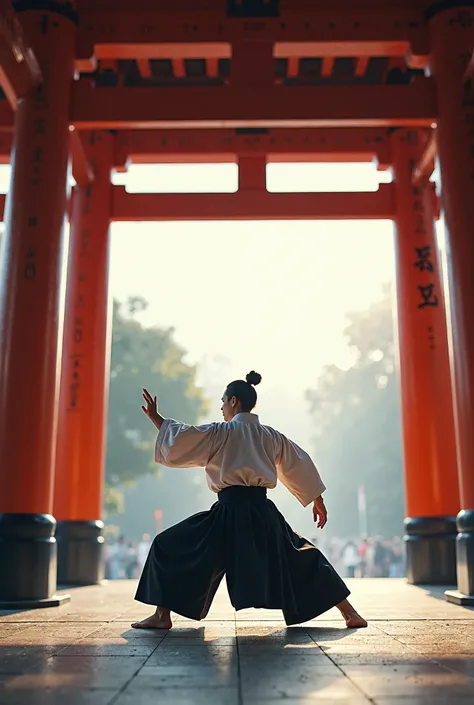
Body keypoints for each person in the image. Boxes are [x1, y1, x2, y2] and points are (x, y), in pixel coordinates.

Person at [132, 372, 367, 631]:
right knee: (300, 557)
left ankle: (162, 615)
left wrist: (157, 419)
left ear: (234, 401)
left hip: (226, 514)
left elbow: (183, 438)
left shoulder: (219, 433)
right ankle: (350, 613)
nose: (221, 407)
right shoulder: (270, 435)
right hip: (262, 513)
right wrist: (316, 498)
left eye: (223, 402)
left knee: (170, 545)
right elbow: (298, 464)